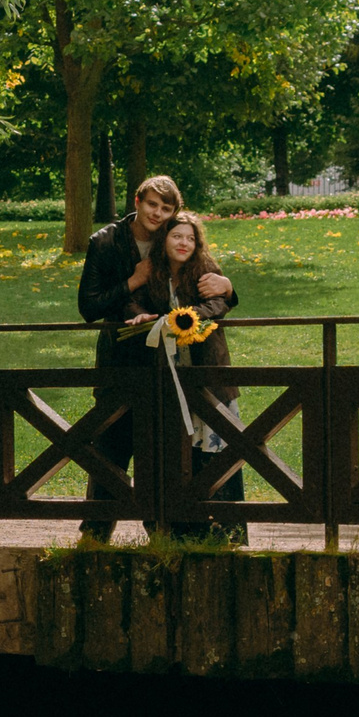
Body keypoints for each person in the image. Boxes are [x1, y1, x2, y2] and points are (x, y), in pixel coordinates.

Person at [74, 177, 235, 540]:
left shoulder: (173, 237)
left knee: (164, 446)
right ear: (137, 201)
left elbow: (199, 283)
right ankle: (95, 531)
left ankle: (163, 528)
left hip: (167, 362)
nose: (157, 214)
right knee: (111, 444)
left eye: (166, 209)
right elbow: (89, 306)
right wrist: (132, 282)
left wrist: (229, 288)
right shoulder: (105, 241)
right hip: (122, 358)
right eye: (152, 205)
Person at [131, 211, 246, 542]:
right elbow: (134, 304)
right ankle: (174, 530)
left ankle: (225, 530)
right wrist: (141, 318)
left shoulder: (207, 271)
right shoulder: (152, 274)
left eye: (190, 238)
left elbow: (218, 306)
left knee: (217, 447)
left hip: (206, 377)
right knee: (173, 448)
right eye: (176, 236)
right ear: (163, 239)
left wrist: (185, 319)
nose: (184, 243)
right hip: (166, 378)